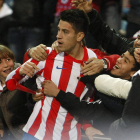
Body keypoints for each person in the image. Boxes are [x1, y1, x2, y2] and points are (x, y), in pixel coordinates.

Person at [6, 9, 121, 140]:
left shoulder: (94, 59)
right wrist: (20, 71)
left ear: (79, 36)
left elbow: (123, 58)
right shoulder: (47, 54)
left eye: (65, 32)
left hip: (70, 136)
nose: (58, 35)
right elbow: (9, 82)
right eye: (59, 29)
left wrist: (105, 62)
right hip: (35, 134)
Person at [0, 45, 44, 140]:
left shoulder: (25, 74)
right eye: (0, 62)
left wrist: (32, 99)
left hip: (31, 133)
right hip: (10, 135)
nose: (6, 65)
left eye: (8, 59)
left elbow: (31, 100)